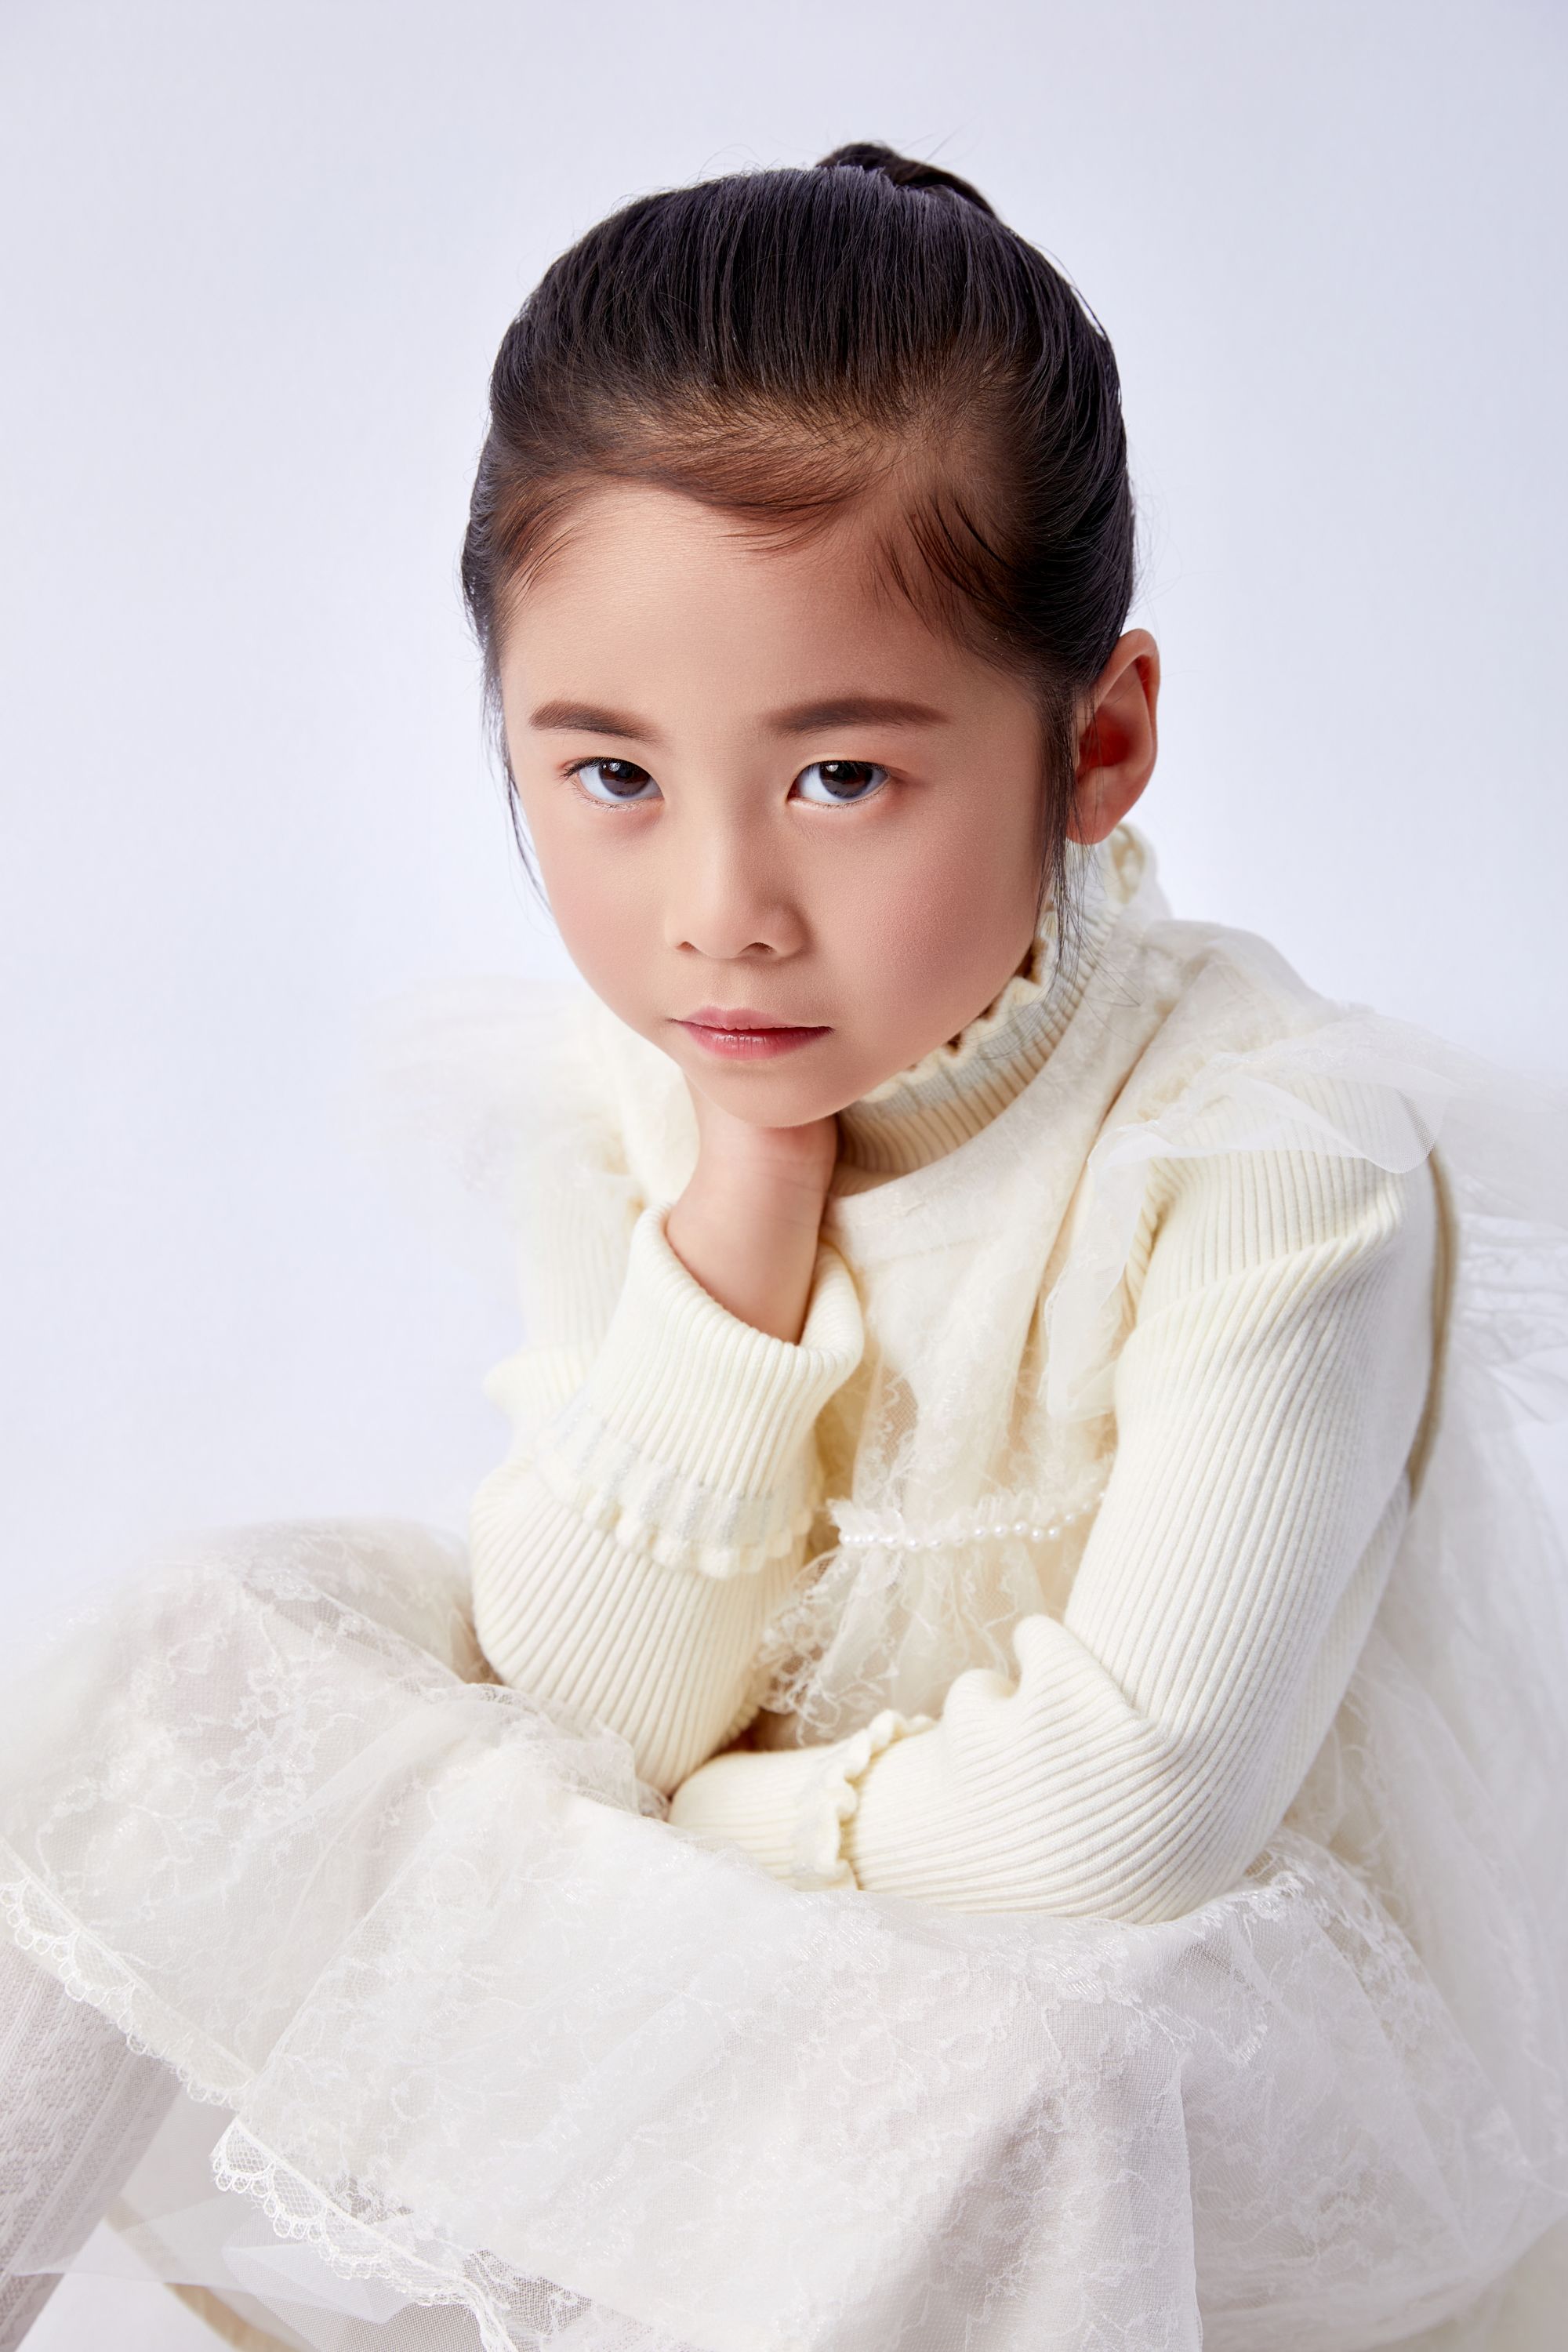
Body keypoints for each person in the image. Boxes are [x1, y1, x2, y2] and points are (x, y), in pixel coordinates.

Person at [2, 143, 1566, 2352]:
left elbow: (1126, 1816)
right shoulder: (644, 1075)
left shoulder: (1268, 1160)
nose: (717, 913)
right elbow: (585, 1699)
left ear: (1099, 743)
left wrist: (680, 1831)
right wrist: (745, 1195)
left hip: (1091, 2014)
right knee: (189, 1668)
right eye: (612, 777)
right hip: (740, 1923)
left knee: (1026, 2080)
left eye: (841, 780)